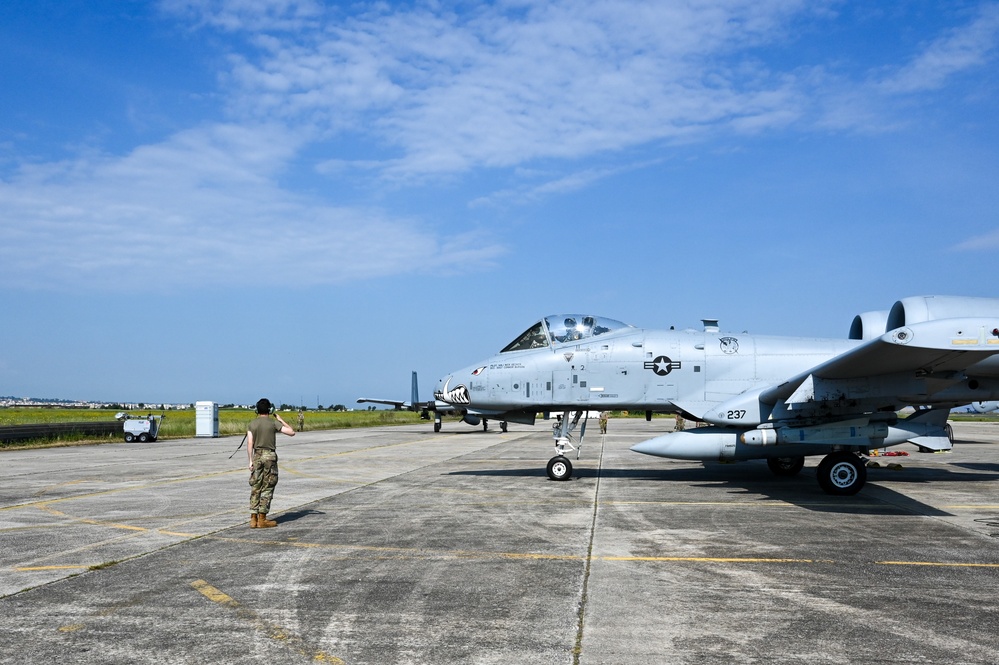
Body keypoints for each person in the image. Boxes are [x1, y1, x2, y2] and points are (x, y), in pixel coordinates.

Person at [247, 398, 295, 528]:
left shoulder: (252, 424)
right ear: (270, 409)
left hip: (257, 456)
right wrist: (280, 420)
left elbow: (250, 443)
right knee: (268, 486)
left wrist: (250, 461)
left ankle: (253, 519)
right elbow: (291, 432)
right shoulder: (273, 423)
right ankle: (262, 519)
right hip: (269, 456)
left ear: (256, 410)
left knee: (256, 486)